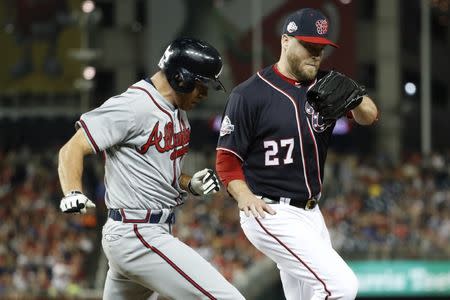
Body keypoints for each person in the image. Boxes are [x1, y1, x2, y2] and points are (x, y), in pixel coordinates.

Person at [58, 37, 245, 300]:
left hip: (146, 232)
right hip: (137, 233)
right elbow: (72, 148)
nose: (204, 94)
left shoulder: (177, 111)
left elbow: (160, 172)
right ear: (181, 78)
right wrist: (72, 191)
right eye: (202, 86)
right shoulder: (134, 106)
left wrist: (189, 183)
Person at [216, 8, 378, 300]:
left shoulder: (327, 85)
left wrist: (355, 97)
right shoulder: (249, 94)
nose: (316, 54)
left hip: (311, 214)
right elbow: (226, 160)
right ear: (285, 41)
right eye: (308, 46)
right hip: (270, 212)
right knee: (341, 286)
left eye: (321, 48)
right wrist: (244, 196)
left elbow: (369, 116)